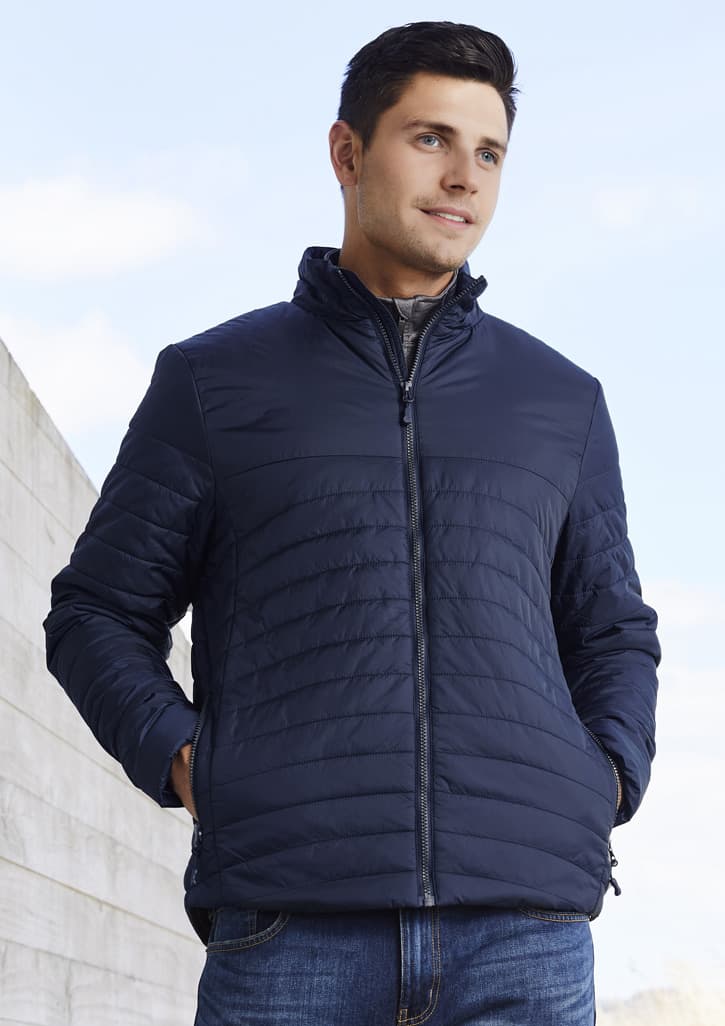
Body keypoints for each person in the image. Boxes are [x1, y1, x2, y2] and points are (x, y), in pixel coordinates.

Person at [43, 20, 661, 1026]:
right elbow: (96, 612)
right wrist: (193, 766)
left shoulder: (560, 401)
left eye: (488, 153)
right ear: (346, 152)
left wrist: (606, 779)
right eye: (430, 138)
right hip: (290, 934)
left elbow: (611, 629)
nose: (462, 177)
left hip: (524, 932)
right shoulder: (212, 382)